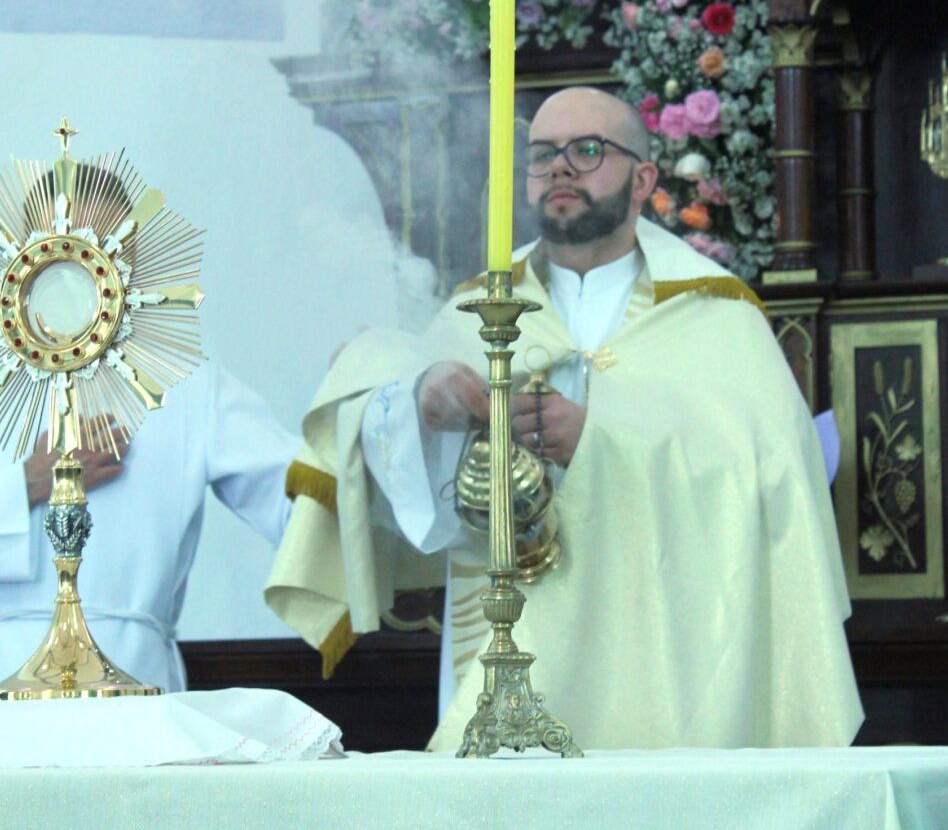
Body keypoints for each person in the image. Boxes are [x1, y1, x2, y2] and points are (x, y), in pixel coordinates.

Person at [266, 87, 864, 751]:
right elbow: (378, 449)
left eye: (588, 149)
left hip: (668, 661)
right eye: (543, 154)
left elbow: (773, 487)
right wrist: (420, 404)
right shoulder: (480, 309)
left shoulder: (719, 315)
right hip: (505, 653)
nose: (560, 168)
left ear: (643, 180)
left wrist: (600, 443)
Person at [0, 354, 298, 717]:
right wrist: (26, 485)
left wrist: (359, 410)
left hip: (135, 687)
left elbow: (301, 500)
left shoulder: (184, 377)